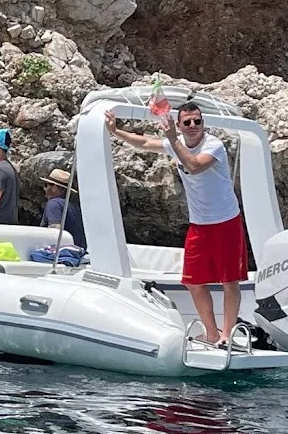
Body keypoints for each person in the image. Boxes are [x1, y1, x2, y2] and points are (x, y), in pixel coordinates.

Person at [105, 102, 246, 346]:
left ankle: (226, 335)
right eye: (187, 122)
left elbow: (194, 165)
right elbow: (146, 143)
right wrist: (115, 131)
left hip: (226, 221)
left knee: (229, 280)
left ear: (203, 124)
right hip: (199, 223)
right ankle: (211, 333)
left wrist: (173, 138)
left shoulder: (214, 145)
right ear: (180, 125)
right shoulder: (175, 142)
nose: (193, 126)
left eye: (197, 121)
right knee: (193, 281)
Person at [40, 168, 86, 249]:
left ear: (54, 187)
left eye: (46, 185)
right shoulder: (73, 206)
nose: (44, 189)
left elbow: (55, 232)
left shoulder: (53, 204)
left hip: (62, 255)